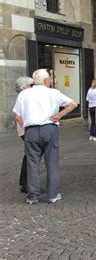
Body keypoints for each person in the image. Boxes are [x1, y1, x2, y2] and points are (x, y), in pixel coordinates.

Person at [13, 69, 78, 204]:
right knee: (52, 163)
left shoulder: (24, 94)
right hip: (49, 128)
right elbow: (73, 104)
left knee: (32, 163)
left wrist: (25, 127)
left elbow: (17, 116)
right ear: (46, 80)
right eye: (50, 78)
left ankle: (32, 196)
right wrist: (59, 115)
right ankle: (53, 194)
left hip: (30, 130)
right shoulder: (53, 93)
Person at [14, 76, 34, 193]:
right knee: (30, 155)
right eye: (30, 85)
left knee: (29, 155)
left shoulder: (25, 96)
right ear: (24, 87)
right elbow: (18, 117)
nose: (32, 87)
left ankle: (25, 182)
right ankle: (26, 183)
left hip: (26, 129)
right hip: (26, 130)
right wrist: (26, 129)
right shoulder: (23, 97)